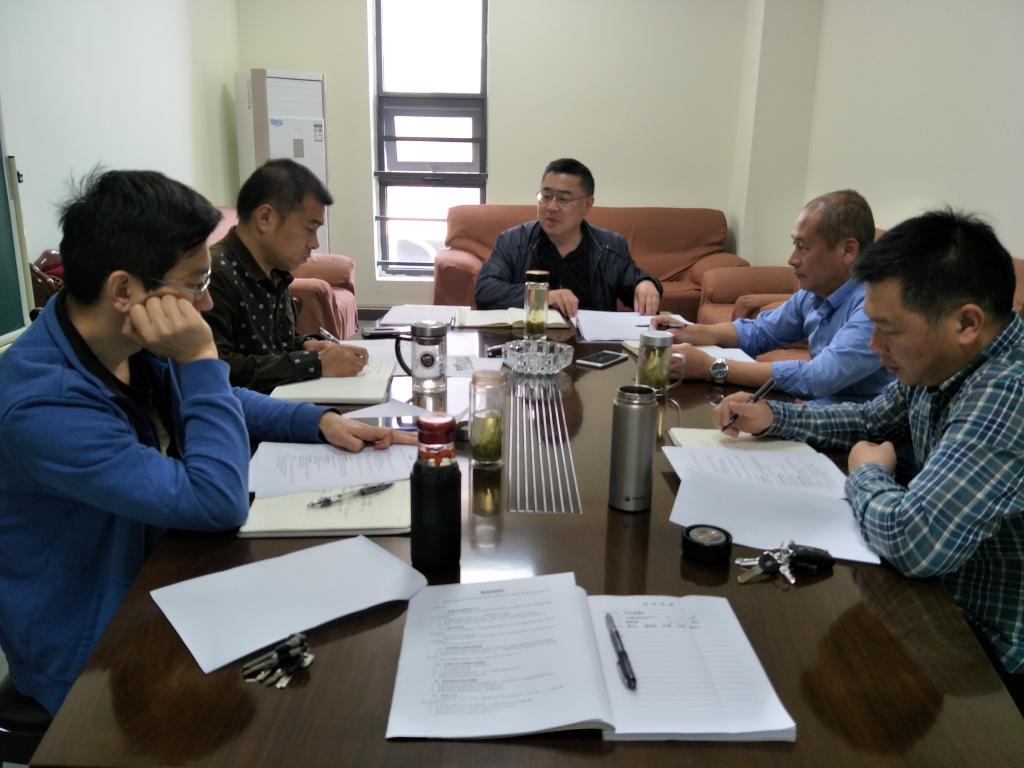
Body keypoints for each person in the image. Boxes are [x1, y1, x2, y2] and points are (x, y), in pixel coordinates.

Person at [0, 169, 413, 716]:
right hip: (93, 649)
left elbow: (218, 398)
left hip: (161, 574)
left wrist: (317, 422)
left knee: (350, 645)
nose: (208, 303)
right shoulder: (43, 405)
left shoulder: (119, 341)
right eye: (196, 284)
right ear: (124, 290)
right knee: (312, 704)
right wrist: (199, 357)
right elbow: (216, 500)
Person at [714, 209, 1023, 711]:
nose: (875, 347)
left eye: (887, 329)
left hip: (987, 656)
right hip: (932, 601)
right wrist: (773, 417)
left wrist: (868, 475)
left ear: (966, 322)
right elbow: (869, 418)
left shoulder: (1008, 391)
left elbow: (917, 541)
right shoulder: (946, 361)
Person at [653, 190, 892, 403]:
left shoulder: (875, 307)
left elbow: (817, 377)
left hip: (856, 427)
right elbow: (762, 332)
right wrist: (691, 331)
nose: (792, 259)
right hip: (816, 410)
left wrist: (711, 367)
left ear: (847, 250)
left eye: (803, 247)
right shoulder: (813, 293)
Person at [206, 158, 368, 394]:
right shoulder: (214, 273)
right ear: (265, 218)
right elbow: (218, 367)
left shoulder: (276, 270)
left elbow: (276, 347)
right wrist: (316, 363)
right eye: (309, 229)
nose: (315, 243)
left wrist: (307, 346)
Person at [474, 158, 662, 317]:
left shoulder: (610, 246)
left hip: (590, 344)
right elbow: (485, 291)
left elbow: (634, 281)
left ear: (587, 205)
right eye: (546, 196)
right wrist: (541, 297)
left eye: (563, 199)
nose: (551, 207)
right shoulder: (513, 241)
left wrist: (645, 284)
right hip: (531, 341)